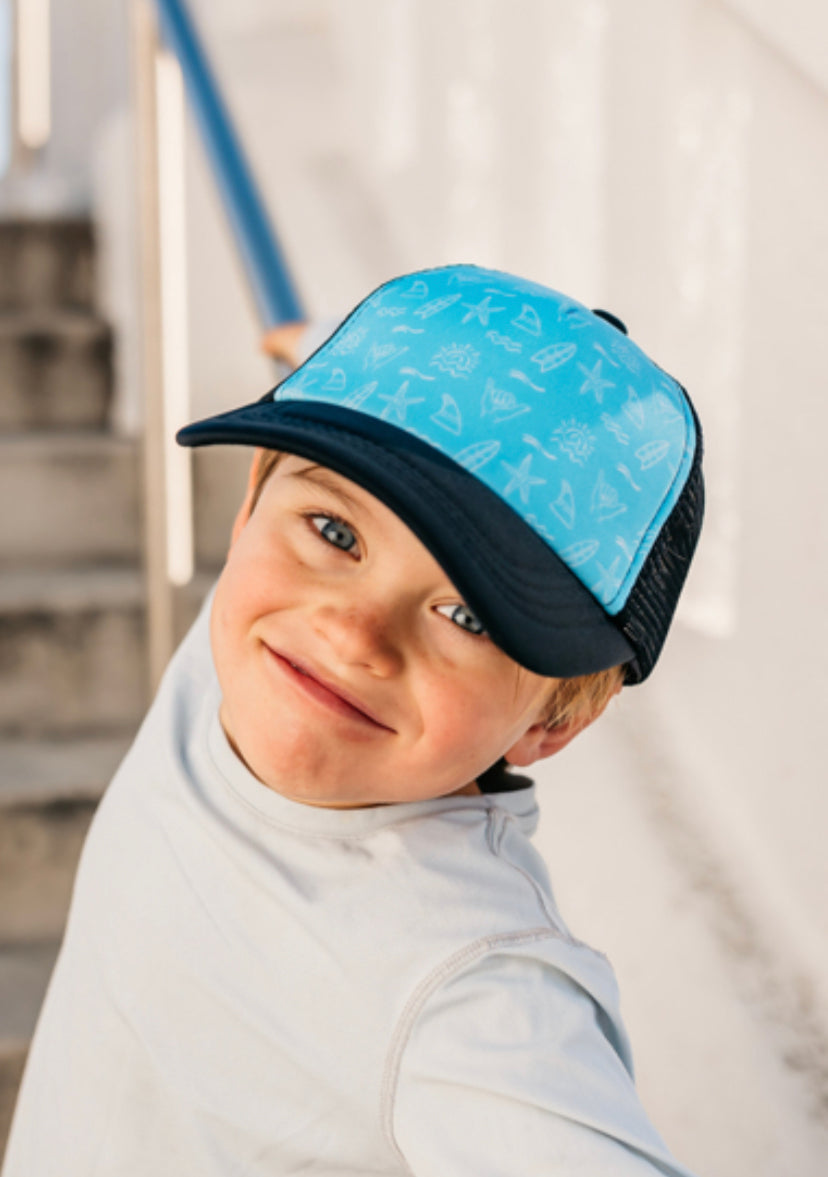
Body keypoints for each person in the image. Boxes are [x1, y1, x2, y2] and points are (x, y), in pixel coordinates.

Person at [3, 264, 704, 1176]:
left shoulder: (472, 990)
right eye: (337, 533)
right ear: (251, 505)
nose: (351, 632)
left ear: (554, 721)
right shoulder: (245, 657)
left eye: (468, 615)